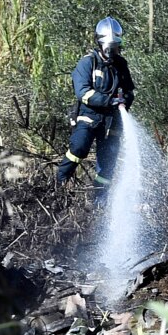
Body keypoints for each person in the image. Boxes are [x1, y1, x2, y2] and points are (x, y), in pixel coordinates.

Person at [56, 17, 135, 203]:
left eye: (115, 46)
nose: (112, 51)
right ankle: (59, 185)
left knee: (108, 163)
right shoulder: (87, 63)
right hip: (89, 116)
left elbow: (130, 90)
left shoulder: (121, 65)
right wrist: (109, 101)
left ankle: (99, 201)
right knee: (79, 147)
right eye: (108, 46)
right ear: (99, 43)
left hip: (113, 121)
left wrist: (125, 100)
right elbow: (82, 92)